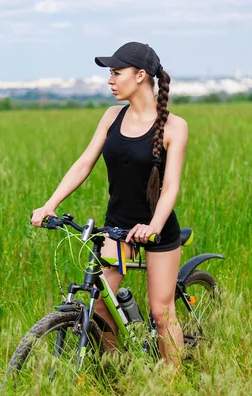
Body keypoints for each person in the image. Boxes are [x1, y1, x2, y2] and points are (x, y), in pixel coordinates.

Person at [31, 42, 189, 366]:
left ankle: (173, 383)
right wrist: (50, 204)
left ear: (141, 75)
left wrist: (154, 226)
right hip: (117, 225)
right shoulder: (111, 116)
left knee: (161, 311)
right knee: (101, 302)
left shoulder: (174, 127)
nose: (110, 80)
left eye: (116, 72)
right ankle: (117, 368)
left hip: (157, 230)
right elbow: (84, 163)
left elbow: (171, 186)